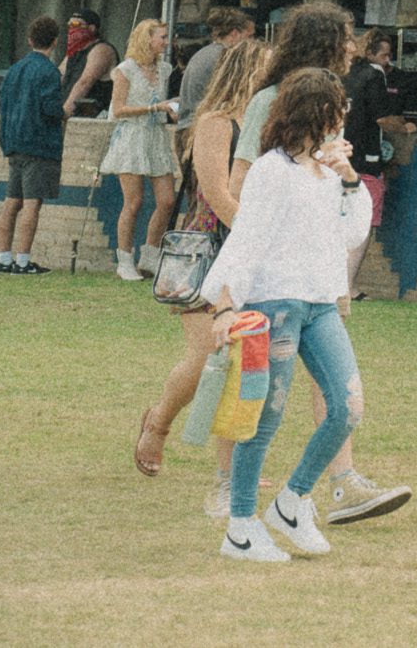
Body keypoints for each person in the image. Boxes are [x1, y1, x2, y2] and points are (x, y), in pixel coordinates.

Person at [228, 2, 412, 527]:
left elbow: (336, 200)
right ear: (326, 42)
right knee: (261, 398)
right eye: (348, 36)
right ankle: (241, 505)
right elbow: (243, 184)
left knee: (335, 388)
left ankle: (335, 483)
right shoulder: (271, 101)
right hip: (277, 280)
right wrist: (262, 256)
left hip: (319, 273)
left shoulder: (332, 101)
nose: (354, 46)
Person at [199, 67, 371, 562]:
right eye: (338, 109)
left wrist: (350, 180)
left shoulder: (327, 171)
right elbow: (247, 237)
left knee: (347, 407)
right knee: (264, 417)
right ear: (319, 113)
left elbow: (353, 233)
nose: (343, 120)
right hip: (272, 305)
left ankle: (292, 501)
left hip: (321, 303)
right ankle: (241, 526)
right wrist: (226, 304)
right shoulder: (273, 170)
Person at [134, 39, 269, 508]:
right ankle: (158, 423)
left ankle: (232, 470)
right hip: (207, 251)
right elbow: (215, 193)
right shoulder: (215, 123)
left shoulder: (261, 125)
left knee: (239, 363)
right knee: (204, 358)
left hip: (244, 250)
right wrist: (257, 236)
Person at [100, 18, 178, 280]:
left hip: (155, 137)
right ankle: (124, 259)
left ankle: (151, 254)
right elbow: (118, 110)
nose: (166, 42)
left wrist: (173, 109)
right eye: (162, 37)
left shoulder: (165, 69)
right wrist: (155, 108)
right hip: (132, 137)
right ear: (148, 39)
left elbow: (163, 103)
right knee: (133, 202)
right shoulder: (126, 69)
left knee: (167, 200)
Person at [342, 28, 416, 292]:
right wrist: (405, 125)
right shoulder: (375, 75)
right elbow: (383, 118)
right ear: (371, 53)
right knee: (364, 221)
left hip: (342, 158)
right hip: (366, 161)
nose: (388, 61)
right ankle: (348, 285)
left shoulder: (346, 73)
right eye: (384, 55)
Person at [0, 16, 65, 275]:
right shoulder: (49, 71)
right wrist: (64, 111)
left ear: (30, 40)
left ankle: (4, 258)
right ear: (55, 41)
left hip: (14, 142)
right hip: (39, 145)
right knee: (32, 203)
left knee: (11, 202)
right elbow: (49, 109)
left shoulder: (14, 69)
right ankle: (23, 261)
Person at [176, 7, 255, 133]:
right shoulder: (225, 58)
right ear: (234, 34)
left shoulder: (204, 53)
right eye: (249, 36)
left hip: (189, 127)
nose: (252, 42)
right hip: (202, 129)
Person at [59, 6, 118, 119]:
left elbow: (85, 82)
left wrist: (64, 112)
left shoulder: (101, 49)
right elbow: (59, 76)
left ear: (92, 28)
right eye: (69, 25)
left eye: (76, 25)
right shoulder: (74, 50)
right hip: (73, 116)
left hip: (93, 117)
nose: (71, 29)